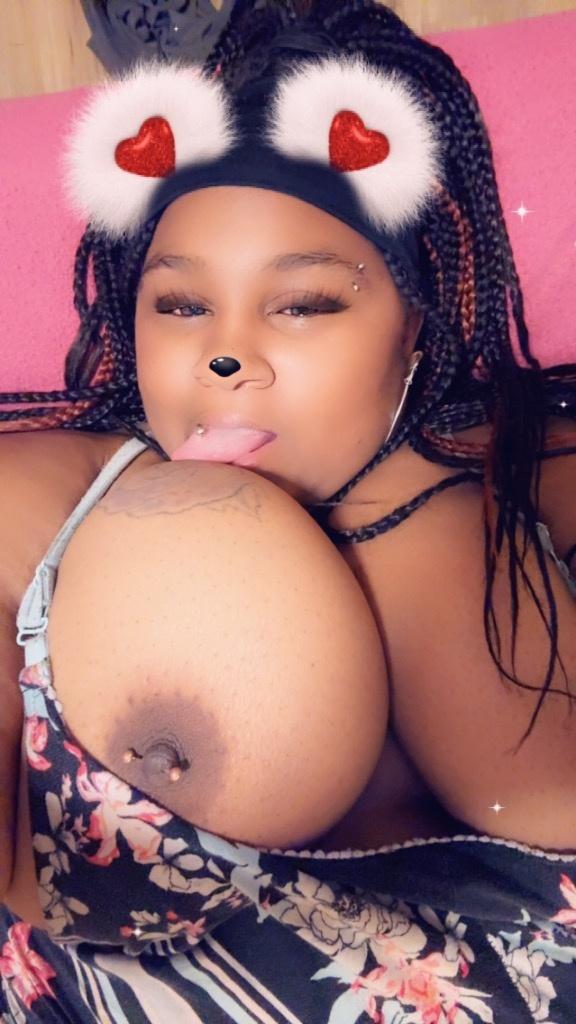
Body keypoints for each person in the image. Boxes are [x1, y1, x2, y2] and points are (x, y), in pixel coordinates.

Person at [1, 0, 576, 1020]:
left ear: (414, 328)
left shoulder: (521, 469)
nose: (225, 357)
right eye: (181, 305)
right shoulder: (60, 497)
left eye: (304, 304)